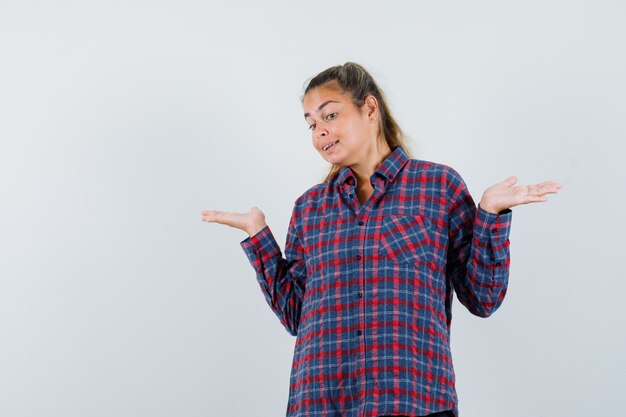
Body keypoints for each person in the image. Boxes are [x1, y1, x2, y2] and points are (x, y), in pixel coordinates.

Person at [201, 62, 561, 417]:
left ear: (369, 108)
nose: (319, 132)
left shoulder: (438, 188)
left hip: (413, 402)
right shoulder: (310, 208)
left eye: (329, 116)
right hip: (321, 403)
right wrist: (258, 236)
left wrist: (490, 214)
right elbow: (298, 316)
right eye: (311, 124)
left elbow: (483, 298)